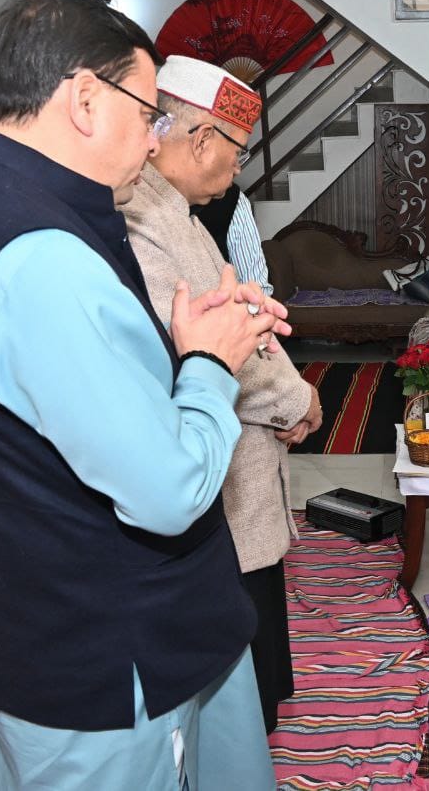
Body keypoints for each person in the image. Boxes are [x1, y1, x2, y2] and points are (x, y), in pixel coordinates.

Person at [0, 0, 288, 788]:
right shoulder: (38, 253)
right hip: (108, 647)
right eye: (147, 114)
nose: (154, 139)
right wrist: (210, 364)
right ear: (83, 100)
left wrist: (176, 342)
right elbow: (168, 490)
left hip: (45, 616)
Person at [122, 55, 323, 731]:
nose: (239, 167)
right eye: (238, 149)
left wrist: (290, 386)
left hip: (244, 445)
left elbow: (246, 315)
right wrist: (297, 400)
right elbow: (208, 349)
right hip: (216, 451)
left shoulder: (177, 211)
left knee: (257, 585)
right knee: (236, 608)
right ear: (202, 138)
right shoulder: (143, 219)